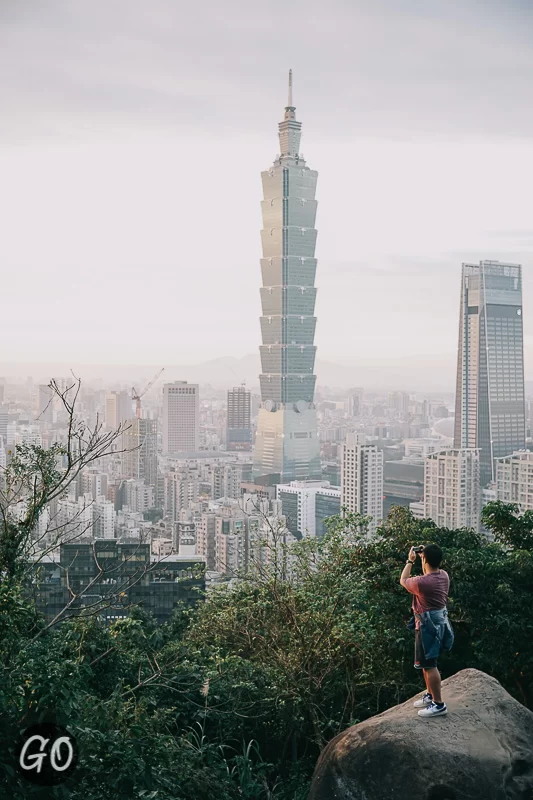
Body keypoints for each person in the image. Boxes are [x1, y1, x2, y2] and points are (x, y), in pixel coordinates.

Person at [400, 543, 453, 718]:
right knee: (425, 663)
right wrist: (425, 558)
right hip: (436, 623)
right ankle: (430, 696)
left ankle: (439, 704)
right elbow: (427, 574)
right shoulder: (443, 575)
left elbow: (403, 580)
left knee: (430, 665)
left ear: (425, 559)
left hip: (427, 627)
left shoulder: (422, 583)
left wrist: (410, 560)